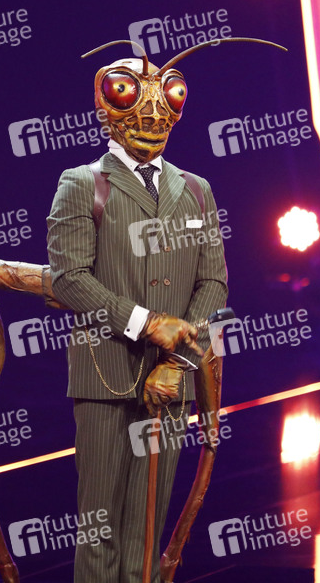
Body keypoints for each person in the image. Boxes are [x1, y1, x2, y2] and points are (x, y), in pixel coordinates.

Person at [46, 44, 228, 582]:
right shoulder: (82, 184)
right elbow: (69, 278)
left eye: (166, 102)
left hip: (173, 382)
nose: (151, 119)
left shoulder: (196, 191)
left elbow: (213, 282)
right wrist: (146, 322)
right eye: (129, 98)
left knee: (147, 529)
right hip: (106, 376)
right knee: (100, 525)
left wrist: (178, 362)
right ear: (105, 108)